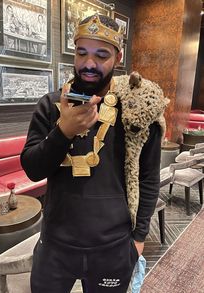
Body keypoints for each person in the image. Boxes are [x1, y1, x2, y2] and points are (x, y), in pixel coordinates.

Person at [21, 14, 168, 293]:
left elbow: (149, 178)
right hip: (55, 244)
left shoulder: (137, 113)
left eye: (101, 55)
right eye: (81, 53)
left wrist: (138, 239)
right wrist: (63, 130)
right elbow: (32, 169)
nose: (89, 64)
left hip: (112, 247)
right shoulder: (51, 105)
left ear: (118, 57)